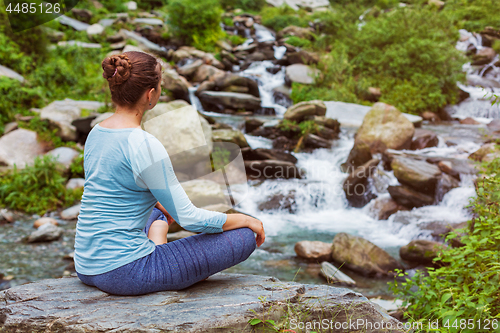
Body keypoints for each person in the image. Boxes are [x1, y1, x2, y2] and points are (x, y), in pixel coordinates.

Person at [74, 51, 265, 296]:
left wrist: (159, 206)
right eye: (160, 84)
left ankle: (156, 240)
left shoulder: (96, 132)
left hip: (86, 265)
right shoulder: (144, 144)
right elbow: (190, 219)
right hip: (126, 272)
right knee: (244, 237)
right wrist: (247, 219)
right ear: (150, 95)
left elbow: (115, 189)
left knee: (157, 213)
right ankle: (157, 256)